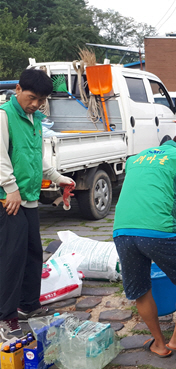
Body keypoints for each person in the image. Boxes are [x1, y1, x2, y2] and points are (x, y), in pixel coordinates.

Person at [112, 132, 176, 358]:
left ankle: (159, 344)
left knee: (140, 288)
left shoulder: (136, 158)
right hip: (157, 231)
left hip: (121, 231)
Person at [1, 69, 76, 339]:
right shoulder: (4, 116)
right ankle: (5, 317)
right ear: (18, 89)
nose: (35, 104)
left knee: (33, 254)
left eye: (41, 100)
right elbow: (1, 157)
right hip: (8, 200)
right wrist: (10, 188)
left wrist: (57, 176)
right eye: (32, 97)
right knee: (11, 259)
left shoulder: (33, 119)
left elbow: (35, 158)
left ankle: (27, 306)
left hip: (29, 197)